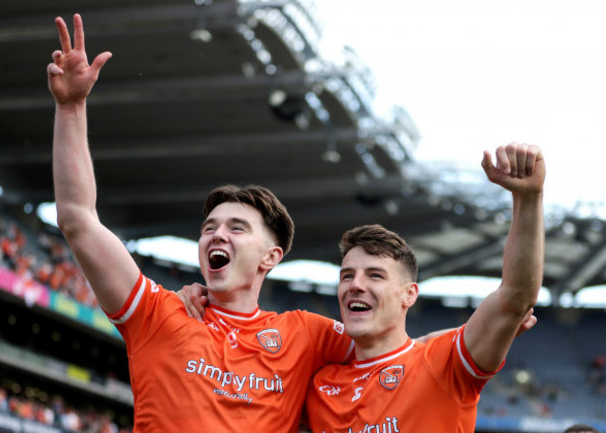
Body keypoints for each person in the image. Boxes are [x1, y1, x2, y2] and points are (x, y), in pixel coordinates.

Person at [47, 13, 536, 433]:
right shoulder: (157, 315)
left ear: (271, 256)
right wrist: (71, 107)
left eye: (237, 227)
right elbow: (78, 220)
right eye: (210, 228)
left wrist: (493, 324)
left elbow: (396, 347)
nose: (217, 234)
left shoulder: (305, 338)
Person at [304, 143, 546, 433]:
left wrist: (528, 199)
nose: (355, 285)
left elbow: (516, 295)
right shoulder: (318, 386)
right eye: (347, 276)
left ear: (409, 294)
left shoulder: (444, 364)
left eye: (375, 276)